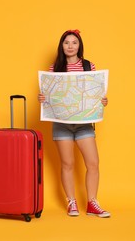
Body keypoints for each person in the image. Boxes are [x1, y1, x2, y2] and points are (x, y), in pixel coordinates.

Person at [38, 30, 110, 218]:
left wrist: (102, 101)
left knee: (93, 163)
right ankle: (72, 202)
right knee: (67, 163)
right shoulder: (55, 68)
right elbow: (51, 97)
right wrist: (43, 98)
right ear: (61, 46)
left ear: (80, 46)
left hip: (84, 124)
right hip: (61, 123)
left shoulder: (89, 66)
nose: (70, 46)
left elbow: (95, 93)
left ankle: (93, 202)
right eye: (66, 43)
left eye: (74, 43)